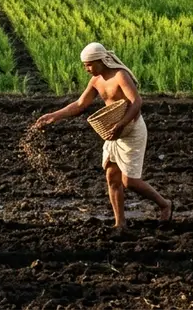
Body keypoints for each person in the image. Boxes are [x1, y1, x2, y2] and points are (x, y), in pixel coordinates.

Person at [33, 42, 172, 228]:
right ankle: (120, 223)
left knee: (129, 182)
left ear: (102, 60)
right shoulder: (96, 81)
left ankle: (165, 204)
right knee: (112, 178)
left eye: (89, 64)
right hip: (113, 133)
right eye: (85, 65)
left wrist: (122, 124)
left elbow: (136, 101)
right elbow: (80, 104)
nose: (87, 69)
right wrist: (53, 116)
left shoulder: (120, 76)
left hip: (131, 131)